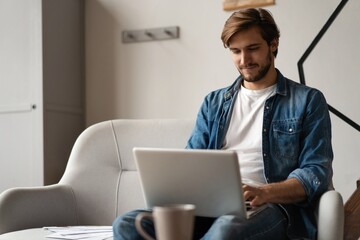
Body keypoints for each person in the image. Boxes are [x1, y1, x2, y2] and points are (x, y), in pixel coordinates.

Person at [113, 8, 333, 240]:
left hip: (271, 207)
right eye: (235, 51)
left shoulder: (308, 100)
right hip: (208, 205)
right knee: (127, 224)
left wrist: (264, 192)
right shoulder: (214, 102)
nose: (244, 60)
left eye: (252, 49)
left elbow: (315, 172)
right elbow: (192, 160)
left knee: (226, 230)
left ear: (273, 44)